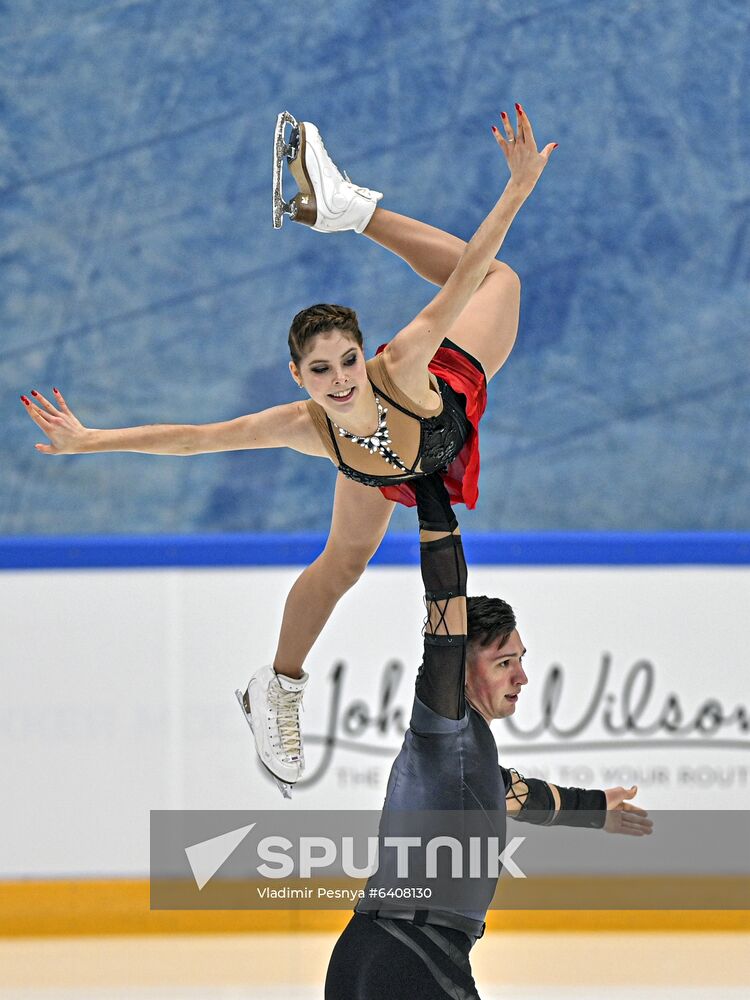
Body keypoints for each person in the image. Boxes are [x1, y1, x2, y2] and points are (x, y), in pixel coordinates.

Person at [20, 104, 557, 791]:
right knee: (343, 563)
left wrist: (516, 189)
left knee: (498, 279)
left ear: (366, 357)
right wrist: (90, 441)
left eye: (347, 361)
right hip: (379, 461)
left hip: (446, 399)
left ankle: (348, 209)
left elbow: (468, 270)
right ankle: (276, 688)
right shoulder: (307, 424)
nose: (338, 380)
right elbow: (193, 440)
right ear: (298, 378)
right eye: (320, 370)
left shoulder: (405, 360)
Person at [324, 473, 652, 1000]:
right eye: (503, 662)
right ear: (458, 670)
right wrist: (431, 493)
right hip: (413, 955)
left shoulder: (463, 758)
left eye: (520, 660)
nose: (521, 676)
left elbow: (518, 795)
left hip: (369, 950)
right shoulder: (442, 725)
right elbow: (445, 602)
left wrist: (596, 808)